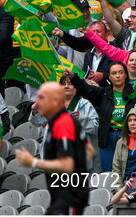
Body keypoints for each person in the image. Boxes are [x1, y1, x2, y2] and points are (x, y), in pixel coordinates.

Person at [14, 82, 89, 214]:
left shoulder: (63, 123)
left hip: (70, 191)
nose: (37, 101)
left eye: (42, 97)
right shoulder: (55, 120)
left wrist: (33, 162)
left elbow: (67, 165)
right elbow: (89, 150)